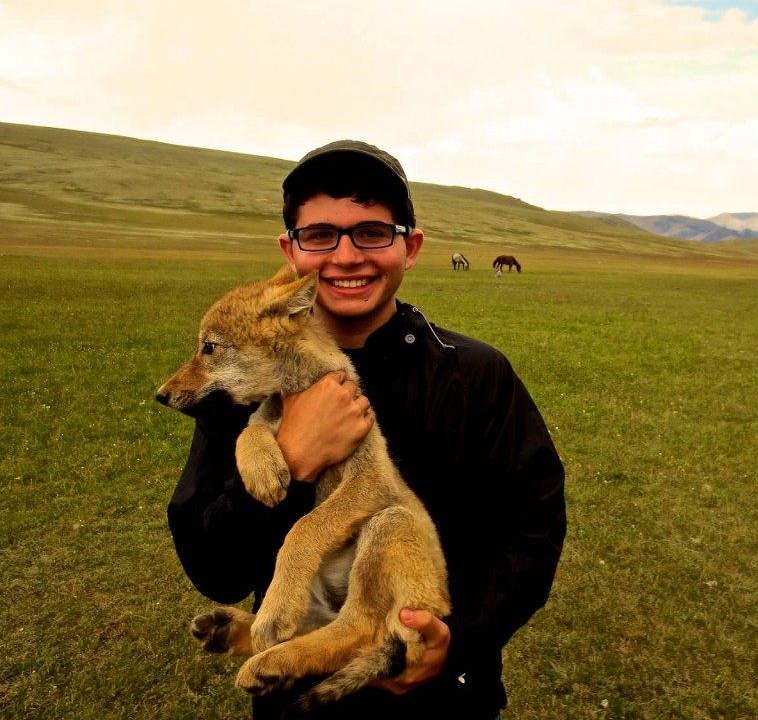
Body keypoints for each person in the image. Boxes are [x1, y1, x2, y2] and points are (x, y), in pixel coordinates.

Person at [167, 140, 567, 719]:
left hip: (446, 704)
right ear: (290, 251)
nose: (347, 256)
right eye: (320, 235)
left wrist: (458, 644)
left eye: (373, 232)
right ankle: (275, 634)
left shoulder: (477, 374)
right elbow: (213, 568)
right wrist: (291, 455)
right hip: (294, 703)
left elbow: (533, 529)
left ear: (412, 248)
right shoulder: (239, 385)